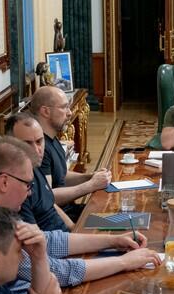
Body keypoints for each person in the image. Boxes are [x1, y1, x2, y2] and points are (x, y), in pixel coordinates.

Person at [0, 136, 160, 292]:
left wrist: (112, 240)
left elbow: (45, 241)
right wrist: (124, 262)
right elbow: (55, 270)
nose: (30, 193)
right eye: (27, 184)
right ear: (4, 182)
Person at [30, 86, 112, 222]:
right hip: (60, 220)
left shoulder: (52, 137)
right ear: (45, 111)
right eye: (64, 107)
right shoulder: (39, 148)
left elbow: (61, 176)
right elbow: (48, 196)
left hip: (71, 210)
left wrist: (90, 177)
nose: (69, 113)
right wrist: (91, 185)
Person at [5, 112, 73, 232]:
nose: (37, 150)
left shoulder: (35, 166)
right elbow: (37, 237)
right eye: (27, 144)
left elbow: (51, 204)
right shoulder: (17, 188)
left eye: (39, 141)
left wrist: (74, 228)